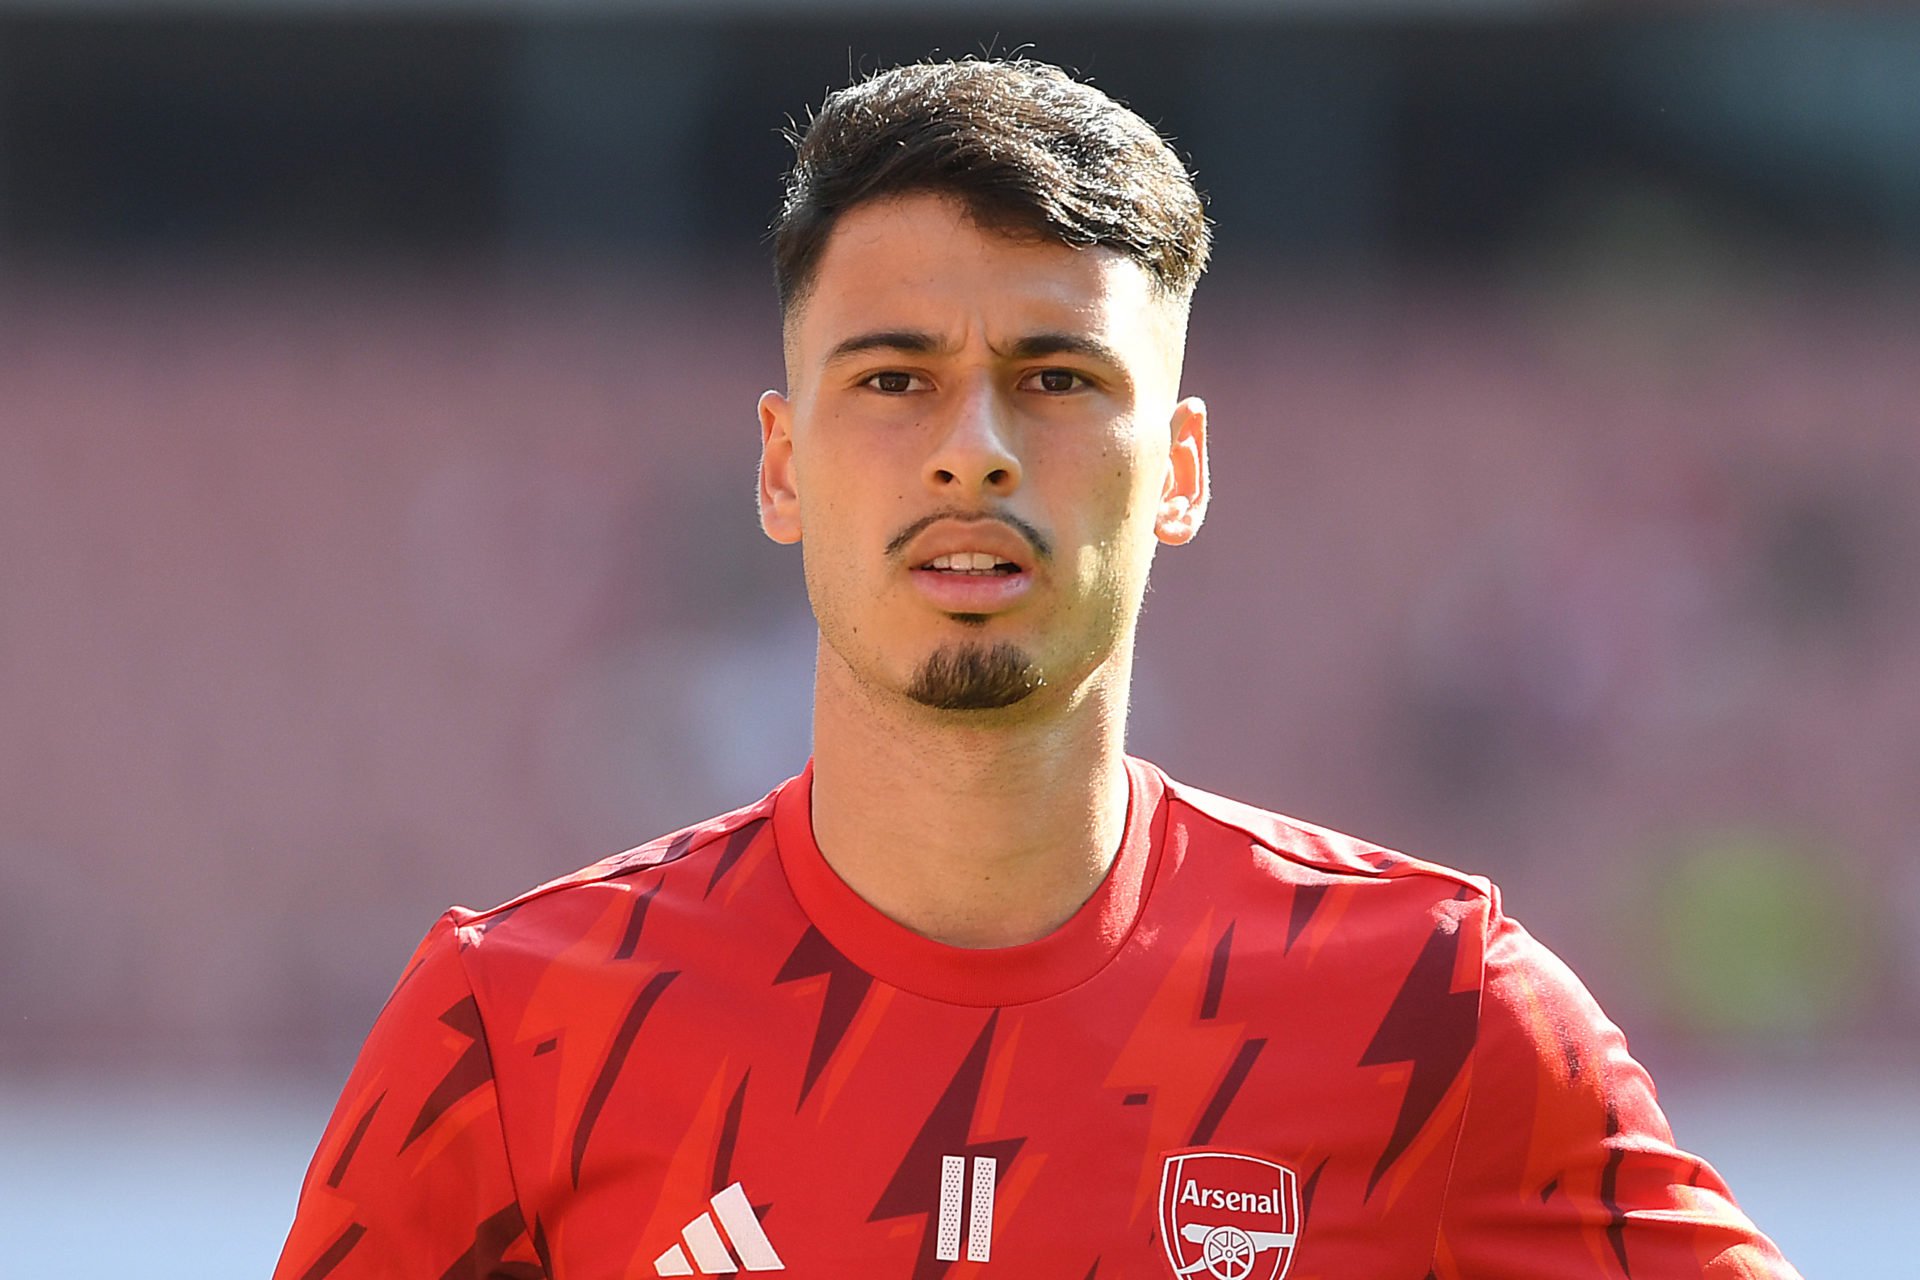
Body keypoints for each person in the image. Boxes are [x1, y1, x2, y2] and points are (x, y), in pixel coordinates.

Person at [275, 58, 1799, 1280]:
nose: (973, 450)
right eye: (895, 379)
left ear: (1182, 469)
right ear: (782, 463)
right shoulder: (519, 1030)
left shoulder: (1438, 1013)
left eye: (1057, 380)